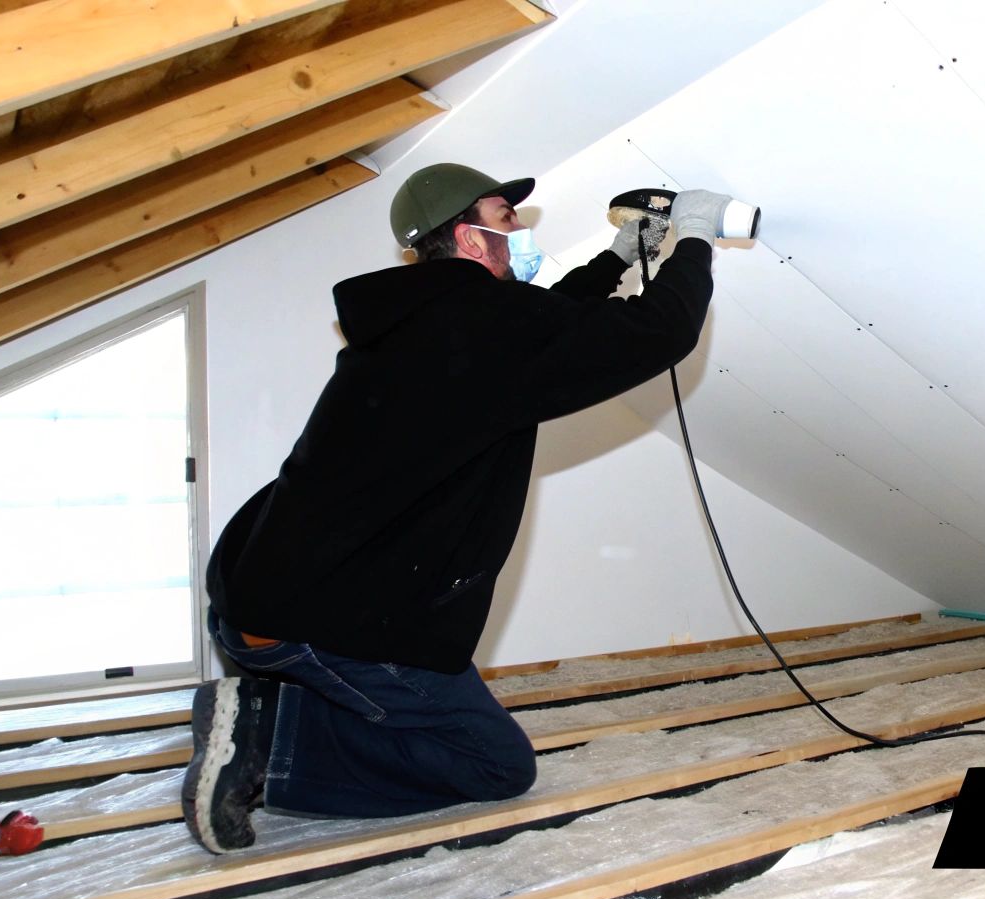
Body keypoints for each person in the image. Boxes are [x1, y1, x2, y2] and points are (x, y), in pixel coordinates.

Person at [185, 163, 733, 853]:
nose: (518, 233)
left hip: (264, 591)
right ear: (471, 241)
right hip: (325, 618)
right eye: (506, 220)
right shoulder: (489, 326)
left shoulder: (428, 320)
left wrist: (621, 256)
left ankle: (276, 706)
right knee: (496, 765)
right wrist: (695, 235)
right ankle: (269, 738)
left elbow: (552, 320)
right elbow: (658, 332)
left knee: (414, 707)